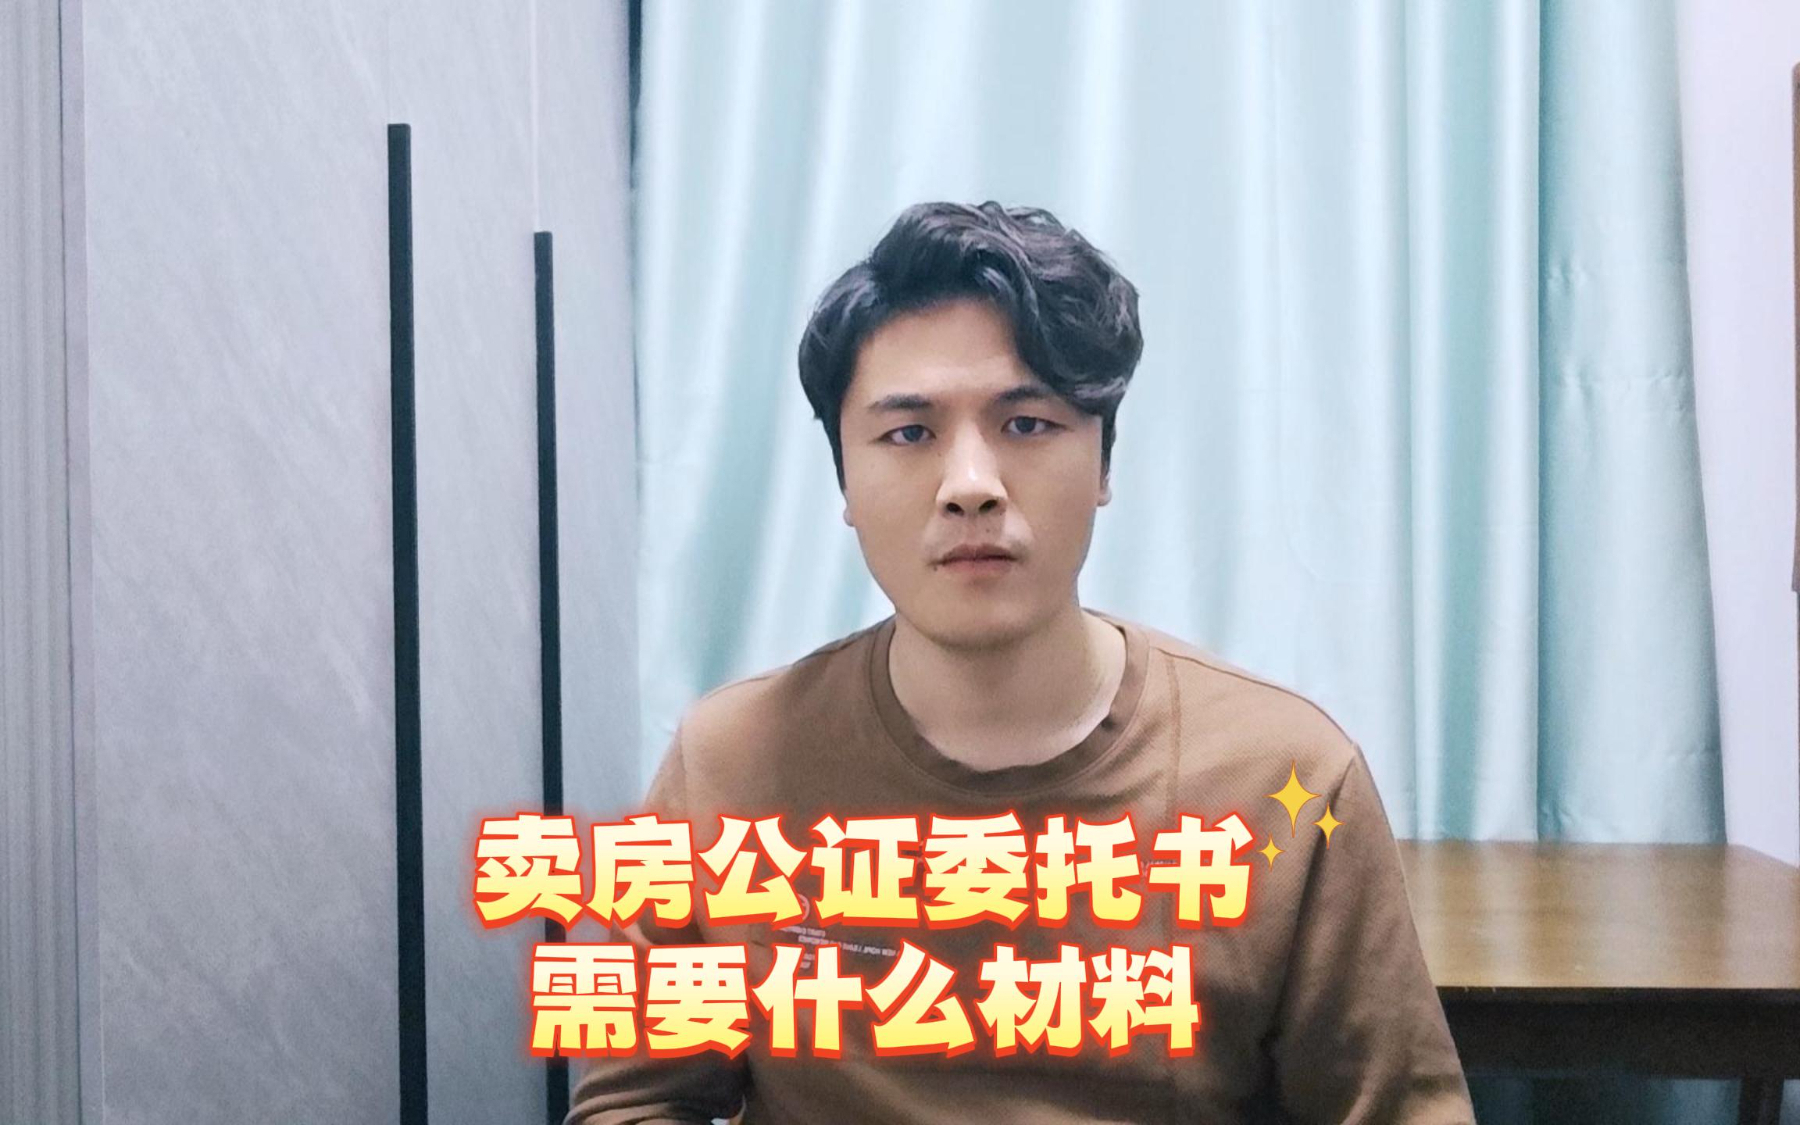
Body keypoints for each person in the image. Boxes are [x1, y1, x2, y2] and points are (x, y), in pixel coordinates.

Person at [567, 202, 1475, 1124]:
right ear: (844, 479)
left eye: (1028, 423)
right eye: (909, 433)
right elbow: (633, 1104)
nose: (971, 485)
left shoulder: (1287, 780)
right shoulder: (729, 763)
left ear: (1104, 463)